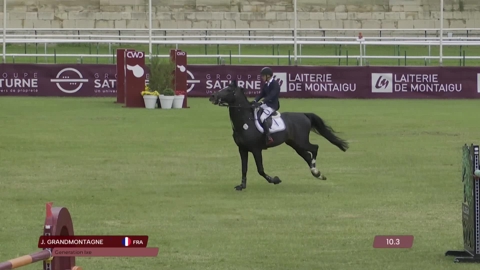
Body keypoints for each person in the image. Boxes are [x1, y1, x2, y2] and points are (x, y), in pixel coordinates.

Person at [251, 67, 281, 145]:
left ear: (268, 76)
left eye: (263, 76)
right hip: (266, 104)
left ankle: (268, 136)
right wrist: (255, 101)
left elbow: (271, 96)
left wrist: (261, 102)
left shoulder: (275, 85)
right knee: (254, 111)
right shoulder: (266, 84)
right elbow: (261, 94)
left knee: (262, 117)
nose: (262, 77)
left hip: (272, 106)